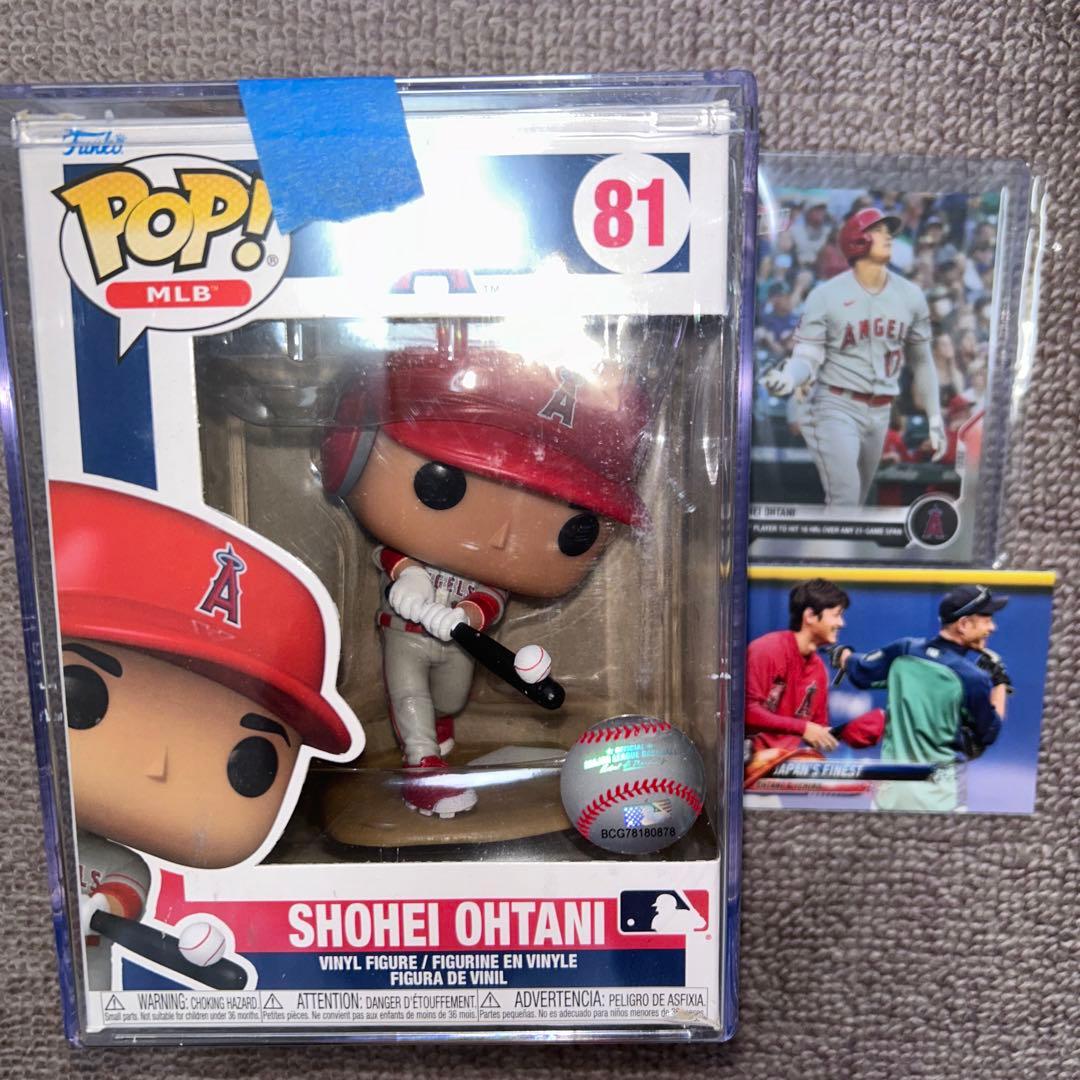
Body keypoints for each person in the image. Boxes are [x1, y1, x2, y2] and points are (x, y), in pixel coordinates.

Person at [321, 329, 654, 818]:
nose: (499, 536)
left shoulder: (490, 583)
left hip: (461, 643)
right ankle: (423, 767)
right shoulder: (408, 551)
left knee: (451, 699)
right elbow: (389, 557)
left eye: (573, 529)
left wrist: (468, 616)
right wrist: (410, 577)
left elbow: (490, 599)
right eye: (445, 482)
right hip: (405, 633)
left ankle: (436, 731)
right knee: (409, 695)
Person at [51, 482, 360, 987]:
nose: (157, 766)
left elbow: (126, 887)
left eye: (250, 763)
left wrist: (103, 906)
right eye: (83, 698)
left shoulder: (117, 862)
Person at [762, 208, 946, 507]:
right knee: (845, 495)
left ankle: (825, 538)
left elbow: (923, 361)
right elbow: (807, 356)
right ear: (857, 240)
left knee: (855, 502)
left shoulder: (911, 295)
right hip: (836, 403)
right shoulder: (826, 295)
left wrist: (935, 419)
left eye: (889, 231)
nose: (888, 237)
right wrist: (788, 376)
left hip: (882, 410)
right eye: (879, 231)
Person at [830, 584, 1011, 811]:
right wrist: (1000, 683)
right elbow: (989, 733)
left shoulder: (904, 651)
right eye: (986, 619)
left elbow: (859, 671)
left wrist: (842, 654)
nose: (992, 627)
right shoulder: (973, 678)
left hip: (889, 798)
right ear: (964, 624)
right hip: (941, 802)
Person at [744, 579, 884, 787]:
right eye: (836, 615)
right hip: (747, 771)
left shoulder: (818, 669)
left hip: (782, 770)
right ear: (810, 616)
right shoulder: (766, 650)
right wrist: (804, 728)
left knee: (860, 786)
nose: (841, 623)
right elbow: (746, 713)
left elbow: (816, 730)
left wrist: (848, 732)